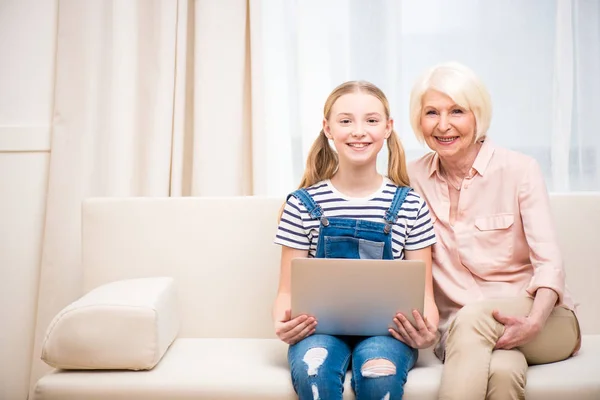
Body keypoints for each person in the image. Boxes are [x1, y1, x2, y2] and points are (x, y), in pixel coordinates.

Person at [403, 62, 581, 400]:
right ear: (418, 120)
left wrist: (534, 321)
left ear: (477, 115)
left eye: (457, 111)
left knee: (472, 320)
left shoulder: (519, 170)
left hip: (543, 320)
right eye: (431, 113)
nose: (443, 125)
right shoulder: (411, 178)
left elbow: (549, 264)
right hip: (459, 331)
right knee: (501, 371)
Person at [272, 80, 439, 400]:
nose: (359, 131)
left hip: (388, 334)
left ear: (388, 128)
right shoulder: (301, 204)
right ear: (328, 129)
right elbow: (285, 293)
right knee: (314, 372)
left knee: (379, 375)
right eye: (346, 121)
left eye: (371, 120)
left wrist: (426, 331)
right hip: (318, 332)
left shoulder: (411, 205)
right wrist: (282, 324)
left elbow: (424, 296)